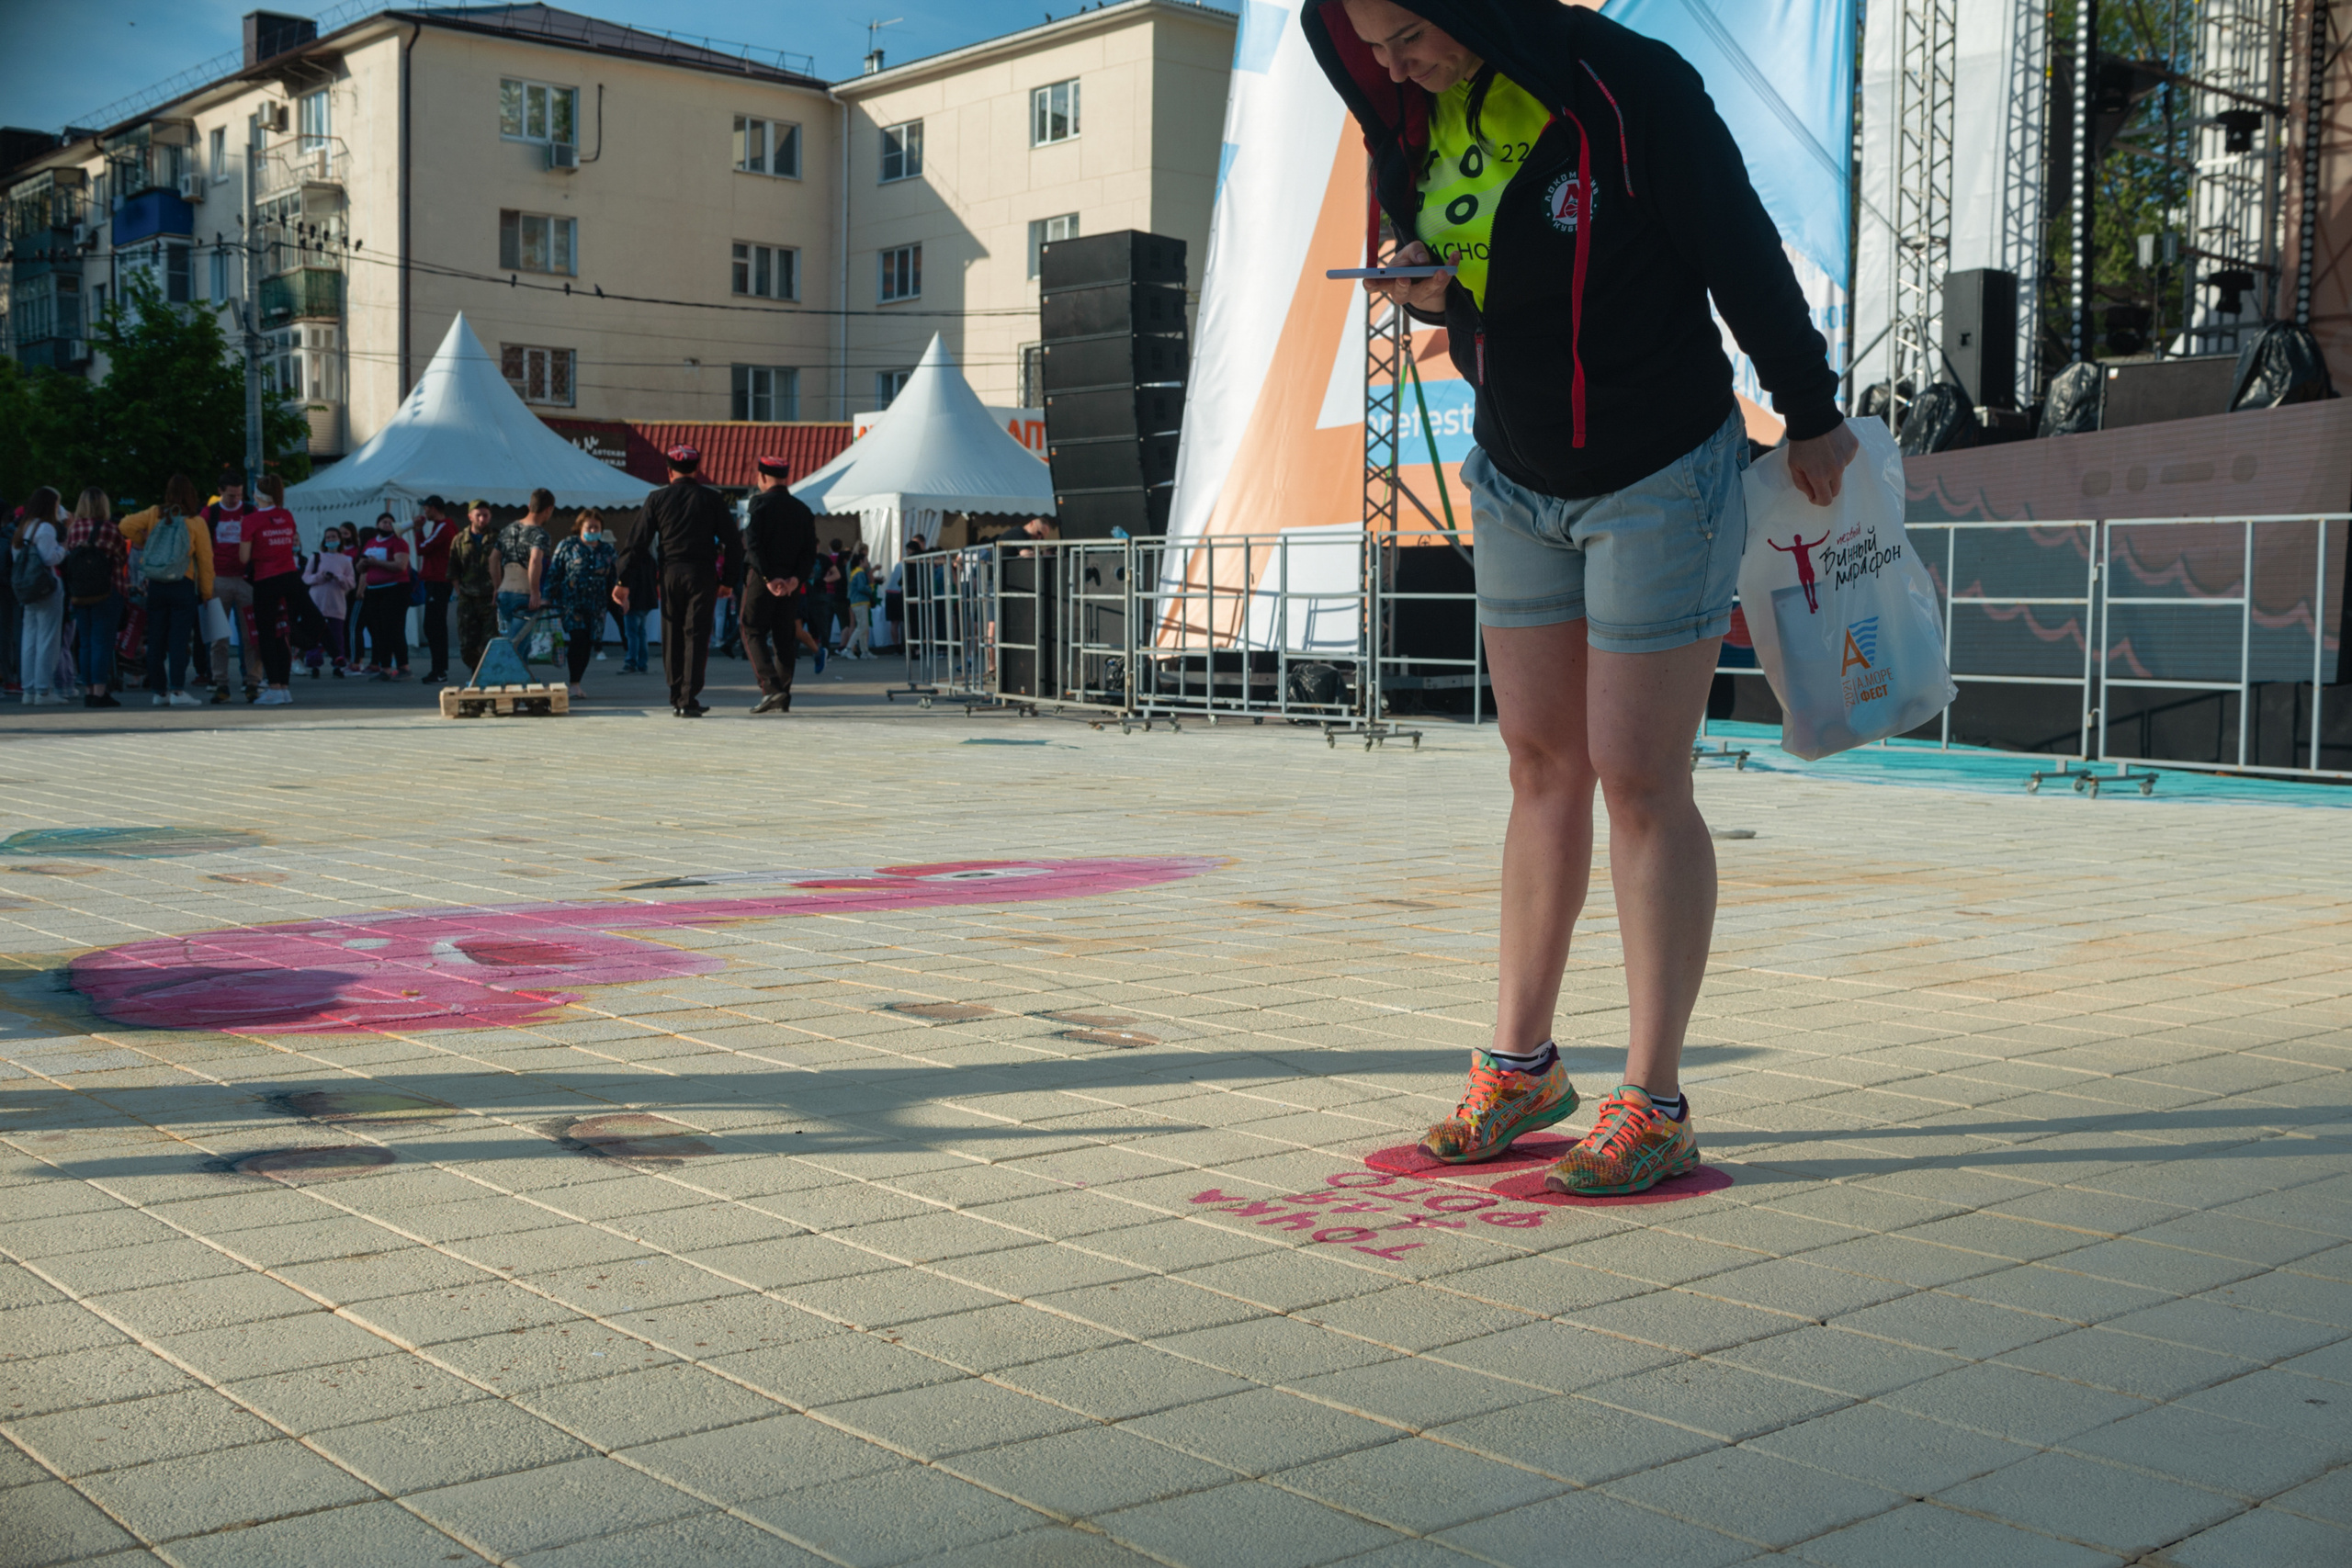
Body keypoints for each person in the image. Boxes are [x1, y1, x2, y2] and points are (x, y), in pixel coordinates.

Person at [1306, 0, 1858, 1196]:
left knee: (1640, 777)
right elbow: (1485, 278)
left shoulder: (1627, 85)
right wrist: (1431, 291)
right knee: (1539, 767)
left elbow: (1739, 248)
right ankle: (1521, 1066)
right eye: (1376, 49)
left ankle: (1655, 1100)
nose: (1397, 65)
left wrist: (1809, 408)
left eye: (1409, 35)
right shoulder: (1427, 116)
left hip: (1657, 473)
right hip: (1515, 477)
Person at [612, 445, 741, 717]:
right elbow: (733, 543)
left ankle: (676, 696)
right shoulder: (712, 498)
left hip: (670, 573)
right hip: (702, 574)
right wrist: (728, 580)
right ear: (697, 469)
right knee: (696, 634)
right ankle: (688, 697)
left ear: (669, 471)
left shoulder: (657, 499)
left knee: (672, 634)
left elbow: (637, 542)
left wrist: (623, 580)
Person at [120, 474, 216, 706]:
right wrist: (206, 593)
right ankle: (178, 691)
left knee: (156, 638)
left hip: (156, 583)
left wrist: (144, 540)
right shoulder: (195, 522)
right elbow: (205, 560)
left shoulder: (155, 513)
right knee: (179, 640)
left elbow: (125, 525)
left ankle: (159, 691)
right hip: (183, 583)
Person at [241, 475, 327, 706]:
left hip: (265, 580)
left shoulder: (250, 520)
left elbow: (243, 557)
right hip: (290, 577)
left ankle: (275, 688)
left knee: (268, 635)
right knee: (285, 632)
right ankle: (284, 688)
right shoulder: (287, 516)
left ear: (257, 494)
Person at [739, 455, 817, 713]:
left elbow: (753, 544)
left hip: (763, 579)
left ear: (762, 477)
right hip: (791, 583)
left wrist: (768, 577)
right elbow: (809, 551)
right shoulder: (802, 509)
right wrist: (796, 578)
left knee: (751, 628)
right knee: (784, 637)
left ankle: (771, 688)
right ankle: (783, 693)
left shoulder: (758, 504)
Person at [61, 487, 129, 708]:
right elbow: (122, 556)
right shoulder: (110, 529)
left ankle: (89, 691)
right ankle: (100, 691)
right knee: (102, 642)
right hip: (107, 591)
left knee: (86, 643)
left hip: (80, 593)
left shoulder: (74, 529)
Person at [201, 473, 260, 704]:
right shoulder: (210, 513)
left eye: (239, 494)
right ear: (220, 491)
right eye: (230, 495)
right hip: (218, 580)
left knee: (251, 635)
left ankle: (253, 682)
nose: (236, 499)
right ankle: (220, 683)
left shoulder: (251, 511)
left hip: (246, 580)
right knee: (218, 637)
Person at [547, 510, 616, 700]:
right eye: (589, 527)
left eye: (596, 527)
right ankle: (573, 683)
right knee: (578, 639)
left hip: (597, 606)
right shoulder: (568, 545)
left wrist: (621, 598)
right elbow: (554, 573)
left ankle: (576, 684)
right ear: (580, 527)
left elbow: (614, 577)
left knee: (587, 643)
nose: (593, 530)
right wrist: (547, 597)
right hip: (572, 603)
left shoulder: (607, 550)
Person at [12, 488, 67, 705]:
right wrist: (63, 548)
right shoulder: (45, 528)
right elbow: (49, 558)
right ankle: (43, 690)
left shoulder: (23, 527)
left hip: (27, 588)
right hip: (46, 587)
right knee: (48, 638)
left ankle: (29, 689)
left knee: (29, 638)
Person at [494, 490, 554, 660]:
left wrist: (496, 587)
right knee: (517, 648)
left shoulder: (507, 529)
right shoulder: (540, 534)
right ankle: (509, 676)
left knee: (521, 645)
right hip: (524, 595)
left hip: (504, 593)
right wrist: (535, 592)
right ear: (548, 509)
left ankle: (519, 675)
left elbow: (493, 558)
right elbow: (535, 560)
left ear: (529, 505)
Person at [356, 513, 413, 679]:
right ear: (377, 525)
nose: (387, 525)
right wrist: (363, 564)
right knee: (378, 629)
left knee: (393, 628)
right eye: (384, 522)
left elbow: (400, 565)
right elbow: (360, 569)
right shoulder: (371, 543)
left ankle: (403, 666)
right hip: (374, 590)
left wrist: (377, 563)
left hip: (395, 589)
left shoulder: (398, 542)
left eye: (390, 522)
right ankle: (385, 668)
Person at [448, 502, 499, 673]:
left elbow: (504, 566)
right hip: (467, 598)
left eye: (485, 515)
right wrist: (459, 592)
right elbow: (453, 569)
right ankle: (475, 671)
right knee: (467, 643)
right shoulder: (459, 540)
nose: (482, 519)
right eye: (478, 515)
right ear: (470, 516)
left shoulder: (497, 539)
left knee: (490, 641)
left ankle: (487, 674)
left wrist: (498, 589)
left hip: (490, 598)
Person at [413, 495, 457, 684]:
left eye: (426, 508)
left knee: (434, 626)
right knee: (433, 626)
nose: (424, 512)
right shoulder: (441, 527)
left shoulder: (444, 527)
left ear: (433, 508)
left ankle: (440, 670)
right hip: (436, 580)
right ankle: (438, 669)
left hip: (439, 581)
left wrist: (418, 531)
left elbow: (422, 548)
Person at [302, 532, 354, 676]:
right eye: (328, 537)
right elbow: (306, 578)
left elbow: (351, 583)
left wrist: (340, 578)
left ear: (339, 540)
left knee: (337, 636)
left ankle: (338, 665)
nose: (331, 540)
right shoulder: (316, 557)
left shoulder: (345, 560)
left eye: (334, 537)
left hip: (336, 604)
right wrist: (321, 576)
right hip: (317, 602)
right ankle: (314, 665)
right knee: (314, 636)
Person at [844, 547, 876, 659]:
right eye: (866, 560)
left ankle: (864, 651)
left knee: (863, 627)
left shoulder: (855, 572)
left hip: (857, 602)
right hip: (860, 602)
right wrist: (871, 588)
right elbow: (862, 587)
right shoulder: (860, 573)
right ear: (861, 561)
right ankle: (848, 648)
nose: (868, 563)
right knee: (862, 627)